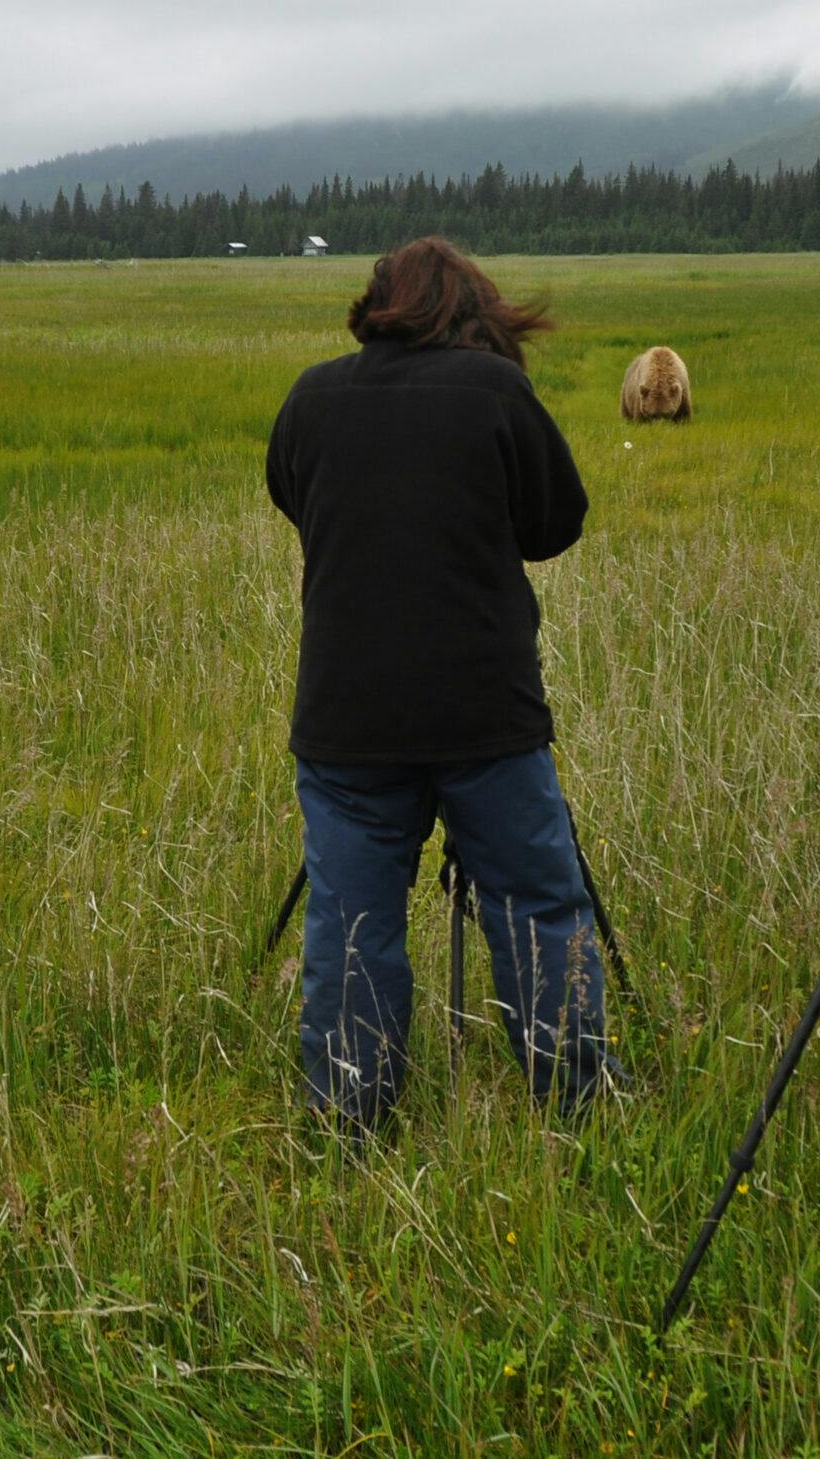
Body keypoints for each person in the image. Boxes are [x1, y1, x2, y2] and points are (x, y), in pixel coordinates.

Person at [265, 237, 615, 1135]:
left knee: (350, 924)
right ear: (471, 309)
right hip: (485, 714)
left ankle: (352, 1112)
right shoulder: (494, 392)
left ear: (376, 303)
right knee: (538, 904)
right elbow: (556, 524)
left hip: (348, 719)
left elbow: (291, 492)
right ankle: (575, 1098)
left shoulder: (312, 397)